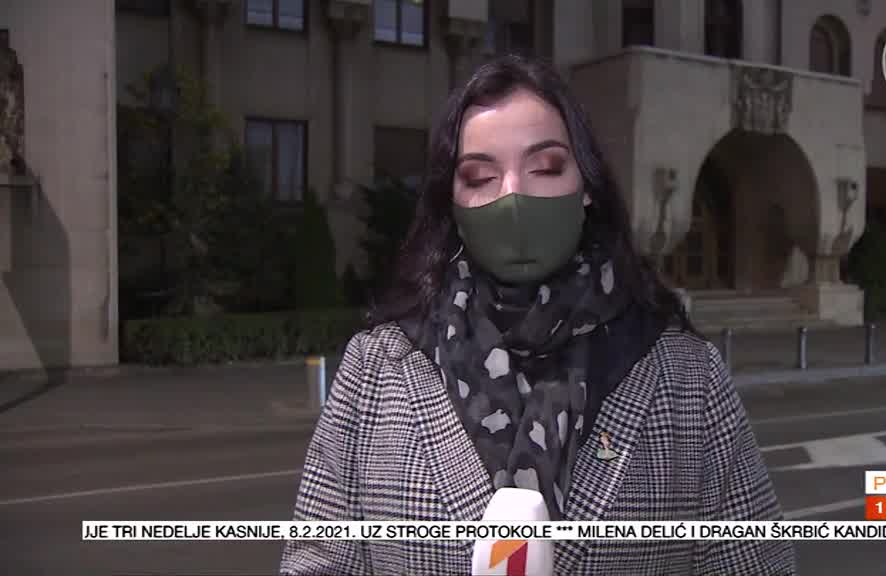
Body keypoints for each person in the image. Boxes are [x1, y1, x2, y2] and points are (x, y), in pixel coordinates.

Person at [280, 54, 797, 575]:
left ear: (587, 185)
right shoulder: (377, 368)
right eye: (480, 176)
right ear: (451, 202)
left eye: (546, 167)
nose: (513, 196)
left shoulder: (686, 375)